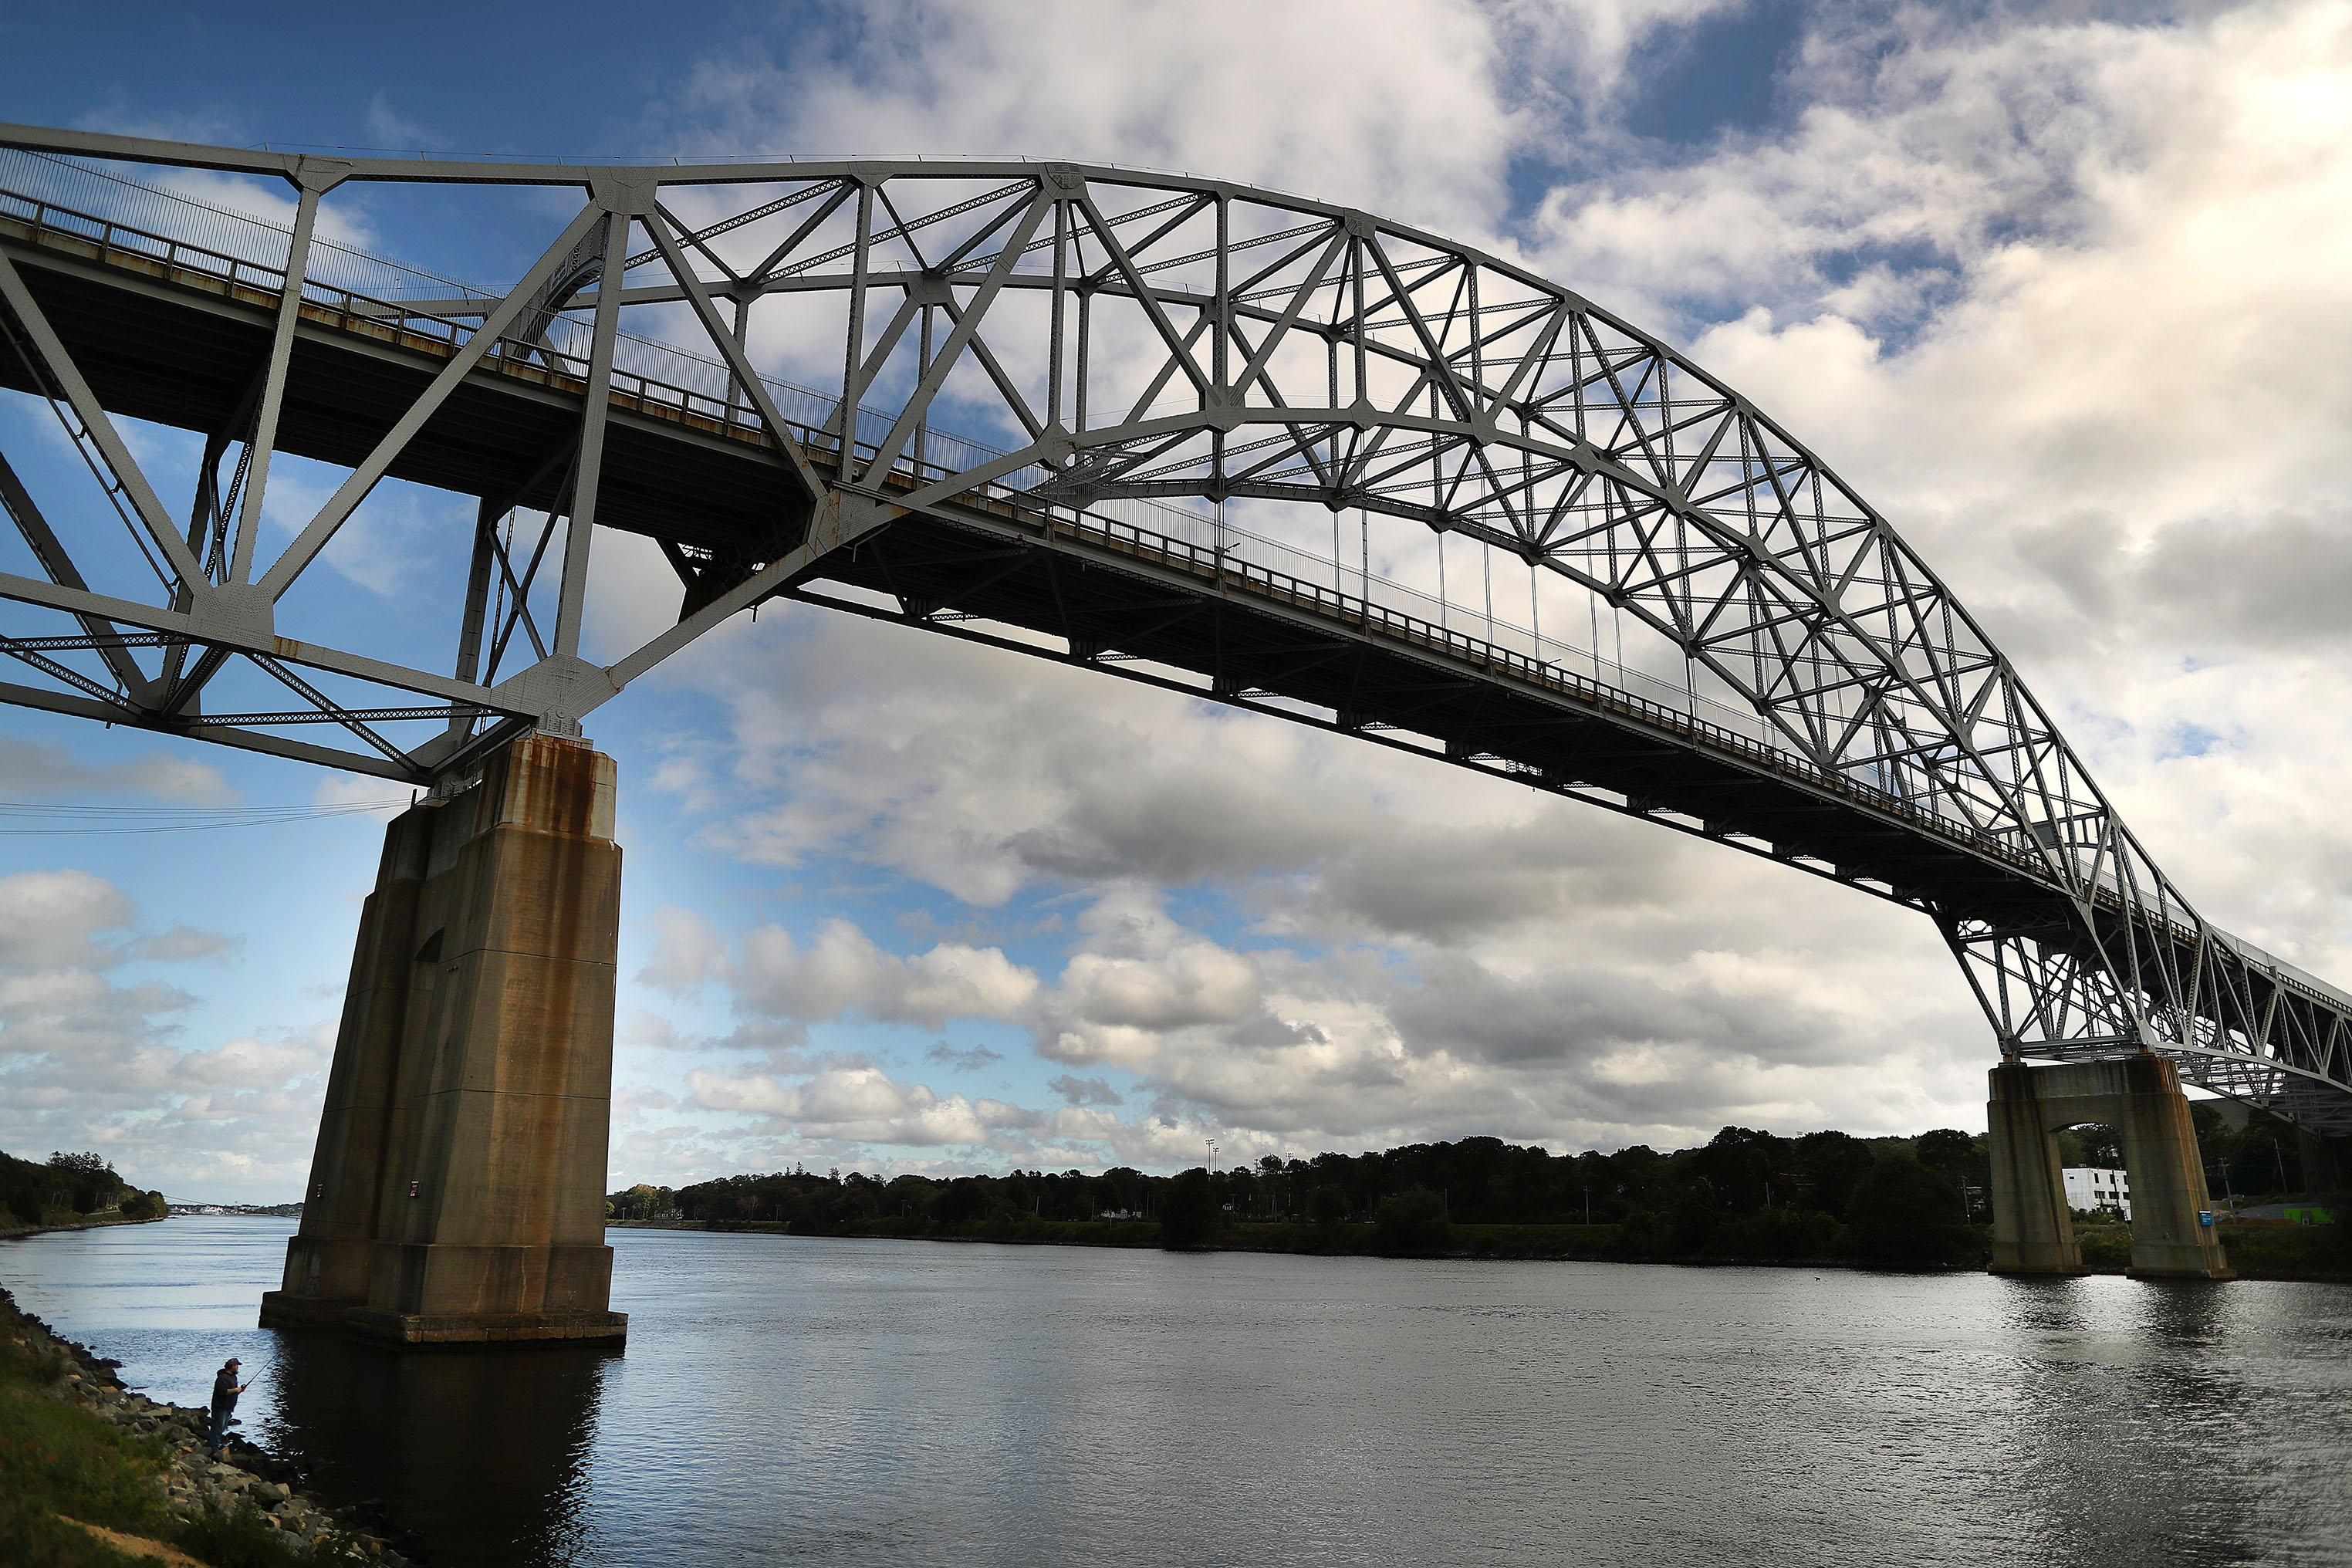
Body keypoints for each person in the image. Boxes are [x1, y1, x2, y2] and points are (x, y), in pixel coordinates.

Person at [208, 1357, 249, 1457]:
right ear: (232, 1366)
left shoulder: (233, 1377)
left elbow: (232, 1392)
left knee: (221, 1428)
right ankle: (213, 1449)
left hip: (228, 1408)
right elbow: (223, 1392)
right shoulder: (222, 1378)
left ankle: (214, 1447)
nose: (237, 1368)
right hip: (220, 1408)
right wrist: (235, 1390)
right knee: (218, 1428)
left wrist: (240, 1390)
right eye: (236, 1366)